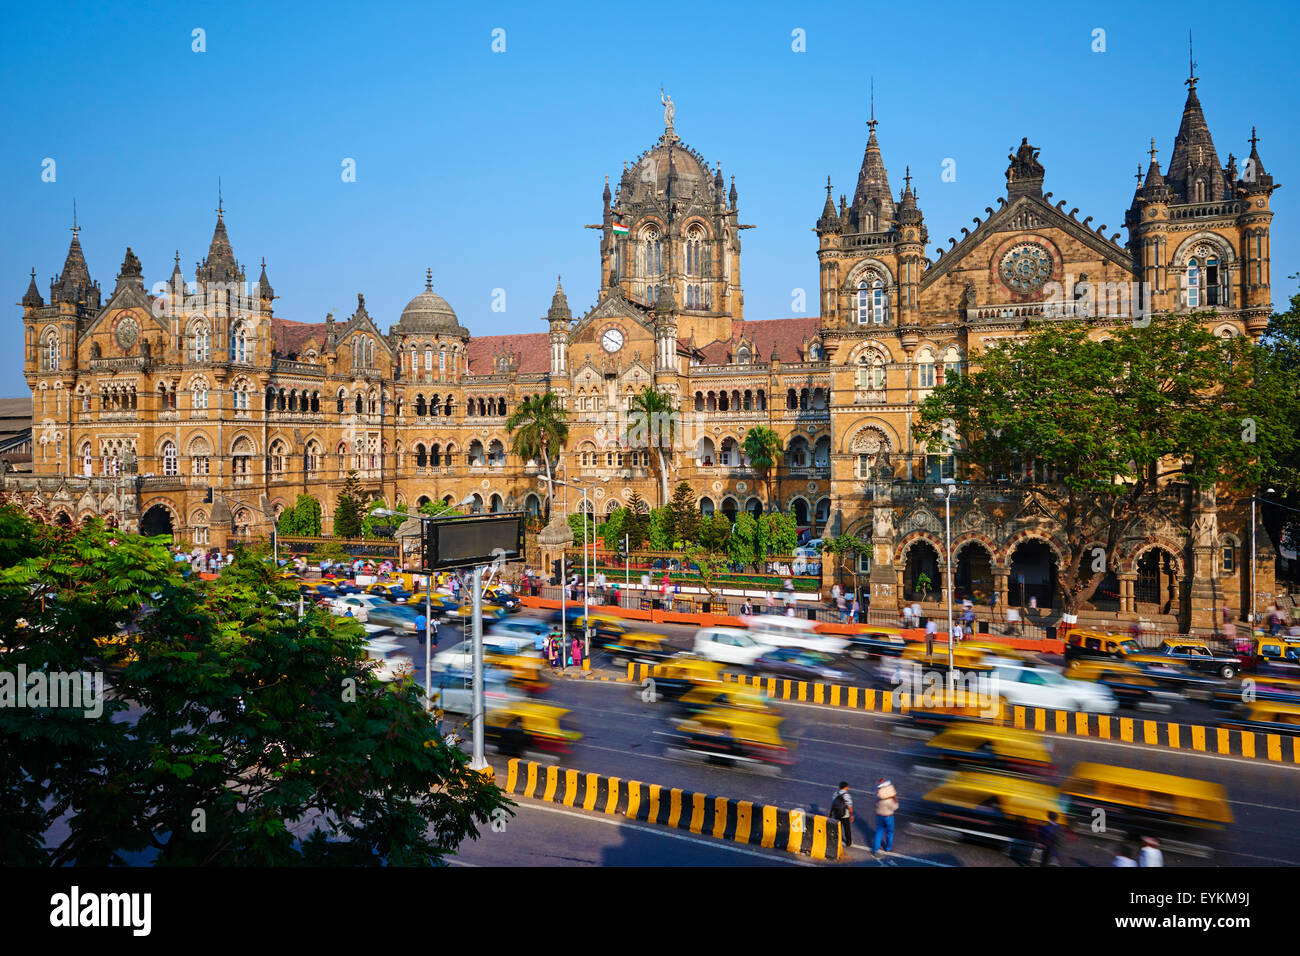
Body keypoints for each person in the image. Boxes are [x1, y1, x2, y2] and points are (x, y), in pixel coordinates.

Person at [873, 777, 899, 856]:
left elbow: (876, 804)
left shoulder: (878, 796)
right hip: (889, 817)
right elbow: (895, 807)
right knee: (890, 832)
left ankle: (875, 850)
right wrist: (895, 799)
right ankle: (888, 848)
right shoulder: (890, 800)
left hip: (879, 816)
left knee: (879, 832)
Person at [831, 782, 854, 849]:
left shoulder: (835, 794)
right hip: (845, 815)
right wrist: (851, 814)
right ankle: (848, 842)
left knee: (837, 828)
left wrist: (832, 813)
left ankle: (836, 841)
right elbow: (849, 806)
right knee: (847, 829)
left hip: (837, 813)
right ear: (845, 787)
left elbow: (833, 804)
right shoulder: (847, 795)